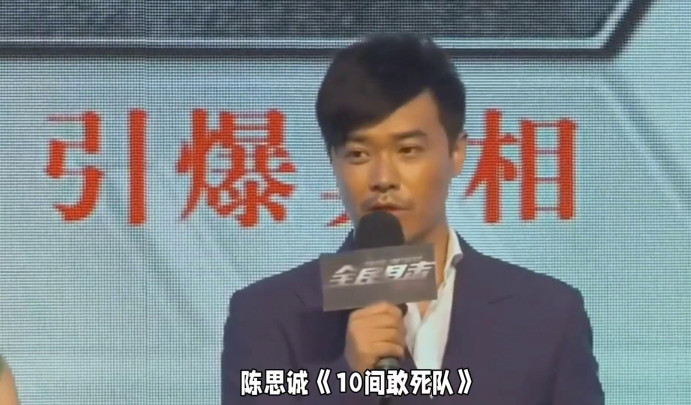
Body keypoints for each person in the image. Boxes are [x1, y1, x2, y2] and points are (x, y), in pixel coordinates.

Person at [222, 33, 604, 404]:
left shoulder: (547, 316)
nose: (383, 178)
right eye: (358, 154)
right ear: (333, 161)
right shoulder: (268, 316)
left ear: (456, 153)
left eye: (407, 150)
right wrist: (346, 380)